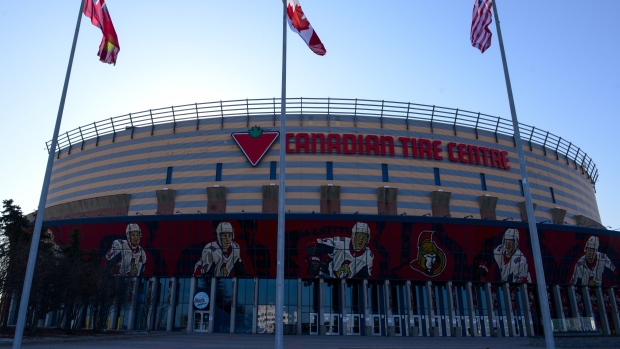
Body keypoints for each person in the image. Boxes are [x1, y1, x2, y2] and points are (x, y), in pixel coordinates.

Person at [306, 222, 374, 278]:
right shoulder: (340, 243)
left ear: (368, 240)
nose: (360, 240)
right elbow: (313, 246)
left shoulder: (368, 256)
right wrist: (314, 260)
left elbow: (364, 279)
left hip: (344, 287)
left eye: (364, 238)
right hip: (326, 278)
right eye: (358, 236)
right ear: (352, 236)